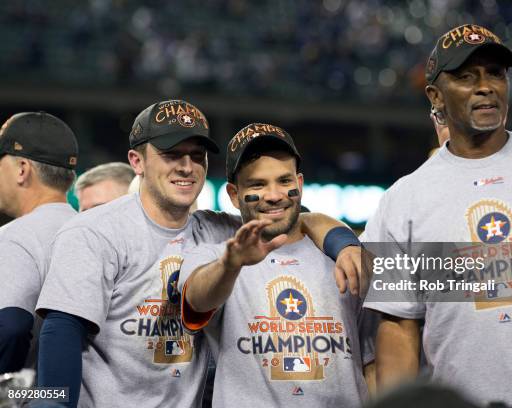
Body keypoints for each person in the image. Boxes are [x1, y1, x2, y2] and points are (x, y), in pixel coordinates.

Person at [36, 101, 364, 407]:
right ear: (137, 161)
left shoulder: (220, 230)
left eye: (197, 155)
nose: (187, 167)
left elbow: (298, 218)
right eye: (171, 154)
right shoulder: (95, 231)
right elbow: (60, 333)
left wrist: (344, 243)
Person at [362, 24, 512, 406]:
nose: (486, 86)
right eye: (466, 77)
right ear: (436, 96)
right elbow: (399, 327)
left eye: (495, 73)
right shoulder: (403, 199)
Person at [179, 123, 376, 407]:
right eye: (257, 184)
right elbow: (196, 298)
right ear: (234, 195)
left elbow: (374, 362)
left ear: (300, 184)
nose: (274, 195)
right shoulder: (214, 257)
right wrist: (231, 265)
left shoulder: (345, 257)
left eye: (284, 181)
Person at [0, 112, 78, 374]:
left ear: (22, 169)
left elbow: (11, 327)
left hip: (28, 397)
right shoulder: (92, 231)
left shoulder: (16, 236)